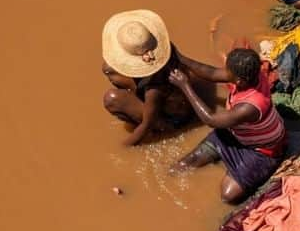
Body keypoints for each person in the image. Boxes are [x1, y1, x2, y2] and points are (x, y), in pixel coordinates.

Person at [169, 47, 287, 203]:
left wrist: (185, 86)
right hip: (237, 134)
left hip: (263, 151)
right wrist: (179, 57)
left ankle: (246, 168)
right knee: (182, 166)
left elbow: (210, 120)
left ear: (239, 80)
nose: (225, 73)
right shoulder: (252, 75)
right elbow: (211, 73)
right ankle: (231, 162)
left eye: (228, 71)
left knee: (227, 195)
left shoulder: (250, 106)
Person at [101, 10, 192, 146]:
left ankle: (162, 127)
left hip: (173, 118)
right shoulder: (162, 49)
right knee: (109, 69)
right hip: (158, 95)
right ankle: (140, 101)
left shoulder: (154, 89)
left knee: (112, 99)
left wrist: (122, 147)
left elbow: (146, 126)